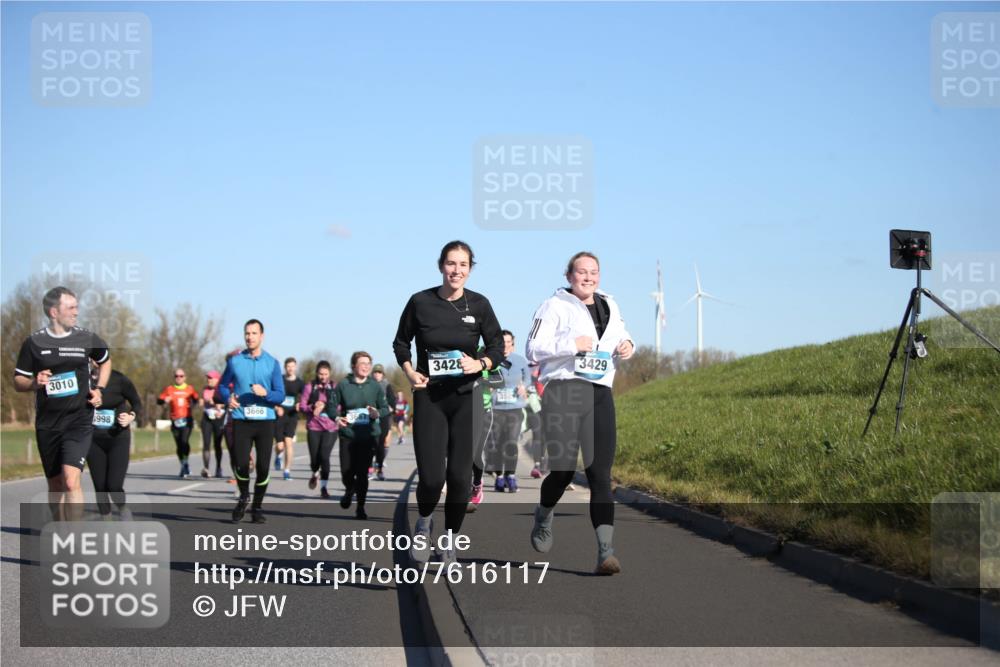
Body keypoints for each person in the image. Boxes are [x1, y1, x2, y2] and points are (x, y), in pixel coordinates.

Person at [393, 240, 504, 563]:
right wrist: (410, 371)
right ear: (441, 265)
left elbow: (496, 347)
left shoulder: (480, 305)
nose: (457, 270)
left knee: (459, 478)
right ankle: (425, 523)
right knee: (431, 478)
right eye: (451, 264)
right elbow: (402, 341)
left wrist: (480, 363)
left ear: (470, 269)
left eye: (463, 265)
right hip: (430, 397)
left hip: (466, 398)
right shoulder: (420, 302)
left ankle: (450, 541)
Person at [525, 252, 635, 575]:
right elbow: (533, 348)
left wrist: (628, 345)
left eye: (594, 272)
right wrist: (573, 344)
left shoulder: (610, 305)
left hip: (600, 392)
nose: (588, 277)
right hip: (564, 392)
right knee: (562, 471)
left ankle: (606, 552)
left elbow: (622, 334)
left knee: (600, 473)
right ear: (569, 275)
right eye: (581, 272)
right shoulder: (553, 306)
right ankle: (544, 514)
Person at [14, 286, 110, 520]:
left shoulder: (86, 337)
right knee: (56, 485)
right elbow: (18, 380)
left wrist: (99, 390)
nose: (77, 312)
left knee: (70, 479)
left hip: (79, 420)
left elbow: (105, 361)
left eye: (77, 307)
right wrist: (35, 383)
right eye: (71, 307)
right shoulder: (34, 343)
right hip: (48, 423)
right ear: (54, 312)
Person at [217, 319, 285, 524]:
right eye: (247, 333)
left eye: (254, 333)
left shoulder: (272, 363)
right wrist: (227, 398)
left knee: (263, 467)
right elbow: (221, 387)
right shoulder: (235, 362)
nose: (249, 337)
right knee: (241, 463)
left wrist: (266, 394)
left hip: (265, 421)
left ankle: (257, 507)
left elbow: (280, 395)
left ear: (261, 336)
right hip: (241, 419)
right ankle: (244, 496)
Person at [330, 352, 390, 520]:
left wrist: (376, 413)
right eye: (362, 363)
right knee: (346, 472)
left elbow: (385, 408)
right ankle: (350, 489)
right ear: (353, 366)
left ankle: (361, 507)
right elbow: (331, 406)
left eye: (368, 363)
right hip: (348, 435)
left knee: (363, 473)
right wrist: (337, 417)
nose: (366, 366)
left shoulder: (375, 386)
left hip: (368, 435)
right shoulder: (343, 385)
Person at [87, 366, 141, 519]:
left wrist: (131, 416)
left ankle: (122, 508)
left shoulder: (119, 379)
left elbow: (136, 402)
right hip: (93, 439)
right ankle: (106, 520)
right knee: (100, 486)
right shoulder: (83, 379)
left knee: (114, 485)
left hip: (118, 438)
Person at [491, 330, 532, 493]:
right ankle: (499, 477)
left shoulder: (520, 361)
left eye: (509, 342)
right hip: (497, 409)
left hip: (515, 408)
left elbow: (528, 379)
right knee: (498, 444)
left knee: (511, 443)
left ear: (513, 345)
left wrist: (524, 387)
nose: (506, 345)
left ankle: (511, 475)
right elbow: (484, 376)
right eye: (502, 342)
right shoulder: (492, 361)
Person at [299, 360, 339, 499]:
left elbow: (340, 406)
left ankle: (324, 487)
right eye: (320, 374)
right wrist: (312, 407)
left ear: (330, 373)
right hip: (314, 426)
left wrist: (326, 406)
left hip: (331, 427)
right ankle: (315, 472)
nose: (323, 377)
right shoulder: (310, 386)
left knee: (324, 457)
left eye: (325, 374)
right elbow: (302, 406)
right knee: (314, 459)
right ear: (317, 373)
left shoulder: (334, 386)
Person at [158, 369, 202, 478]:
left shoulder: (190, 389)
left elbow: (196, 399)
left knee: (184, 441)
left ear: (185, 377)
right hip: (175, 420)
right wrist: (164, 401)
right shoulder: (169, 389)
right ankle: (183, 465)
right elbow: (158, 400)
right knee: (178, 445)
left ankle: (185, 462)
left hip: (187, 419)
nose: (179, 377)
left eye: (181, 376)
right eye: (176, 376)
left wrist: (195, 402)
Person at [273, 357, 304, 480]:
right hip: (280, 416)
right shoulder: (279, 380)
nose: (290, 368)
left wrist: (300, 404)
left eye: (292, 366)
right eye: (288, 366)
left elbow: (306, 397)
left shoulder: (300, 383)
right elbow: (272, 395)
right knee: (280, 446)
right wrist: (276, 407)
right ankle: (278, 456)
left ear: (295, 367)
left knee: (288, 443)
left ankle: (287, 471)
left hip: (292, 416)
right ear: (285, 368)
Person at [200, 370, 227, 478]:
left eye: (211, 378)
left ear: (217, 379)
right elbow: (207, 399)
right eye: (208, 378)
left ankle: (218, 468)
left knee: (217, 445)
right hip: (207, 419)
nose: (208, 380)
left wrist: (221, 405)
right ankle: (206, 468)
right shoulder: (206, 389)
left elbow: (227, 401)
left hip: (219, 419)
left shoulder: (223, 389)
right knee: (206, 444)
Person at [371, 363, 395, 481]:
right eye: (375, 372)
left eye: (379, 372)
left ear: (382, 374)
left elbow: (392, 402)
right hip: (370, 417)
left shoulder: (387, 385)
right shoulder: (368, 384)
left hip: (384, 417)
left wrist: (387, 409)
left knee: (381, 444)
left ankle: (380, 468)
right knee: (370, 443)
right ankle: (369, 468)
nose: (377, 374)